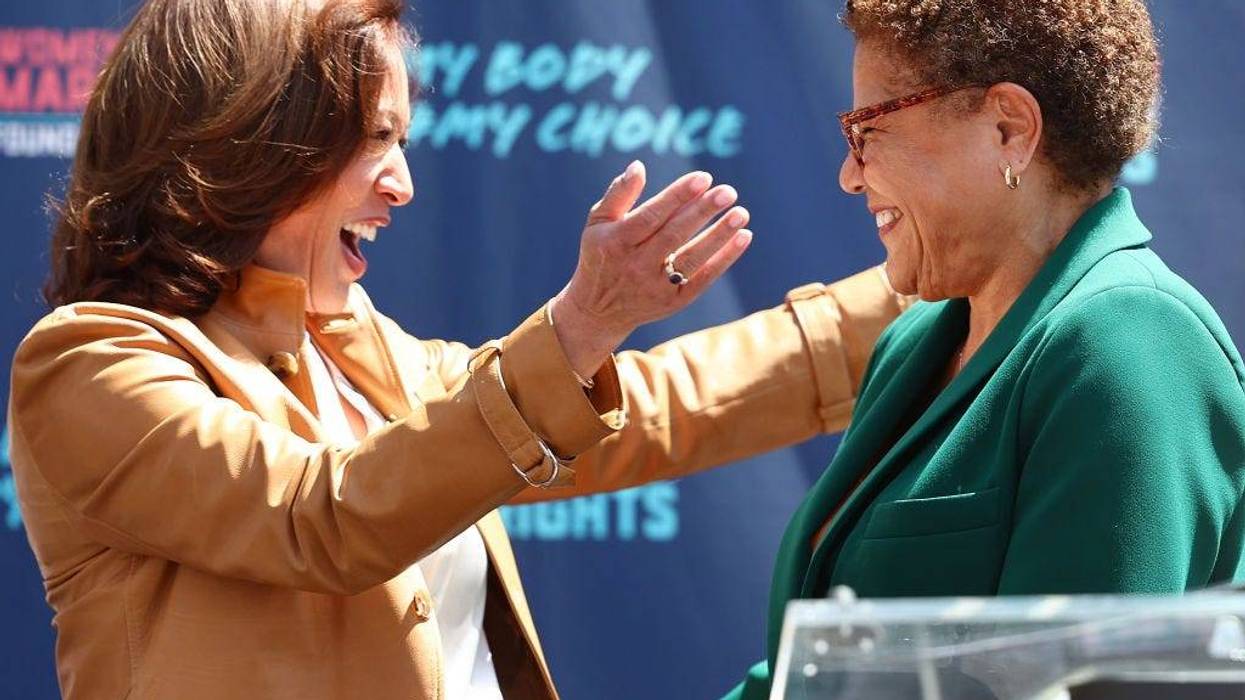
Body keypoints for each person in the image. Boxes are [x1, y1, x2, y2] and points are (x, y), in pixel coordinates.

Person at [7, 0, 909, 698]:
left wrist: (915, 292)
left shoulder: (364, 351)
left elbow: (653, 406)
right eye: (374, 139)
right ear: (247, 141)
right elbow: (321, 517)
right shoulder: (88, 363)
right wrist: (578, 324)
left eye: (401, 140)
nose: (402, 184)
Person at [727, 1, 1245, 697]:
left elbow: (1078, 685)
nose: (850, 174)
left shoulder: (1129, 343)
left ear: (1009, 129)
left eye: (868, 130)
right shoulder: (913, 342)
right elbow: (814, 676)